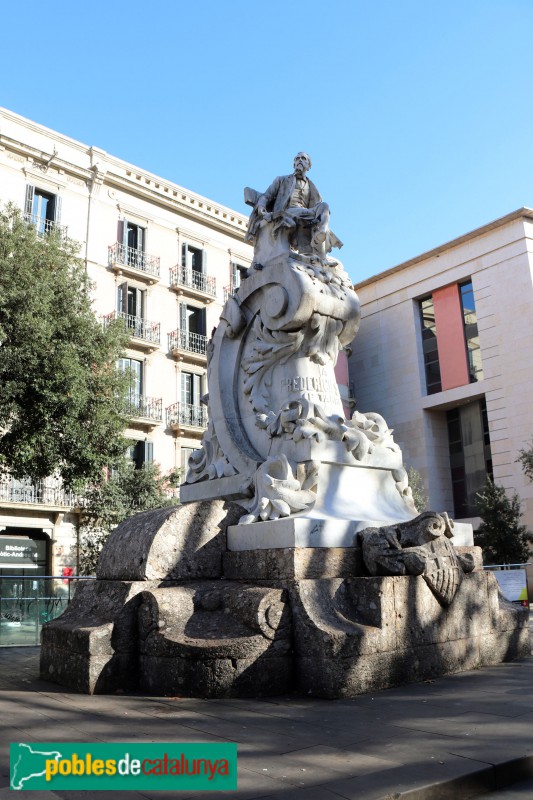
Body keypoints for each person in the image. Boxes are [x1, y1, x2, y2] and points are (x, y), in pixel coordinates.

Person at [244, 153, 341, 263]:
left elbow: (318, 205)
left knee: (325, 205)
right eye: (297, 158)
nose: (300, 160)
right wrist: (261, 206)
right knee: (311, 216)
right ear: (294, 164)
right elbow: (266, 196)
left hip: (307, 213)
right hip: (287, 212)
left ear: (309, 165)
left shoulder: (311, 186)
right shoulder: (282, 180)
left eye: (303, 158)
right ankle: (320, 253)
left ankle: (321, 233)